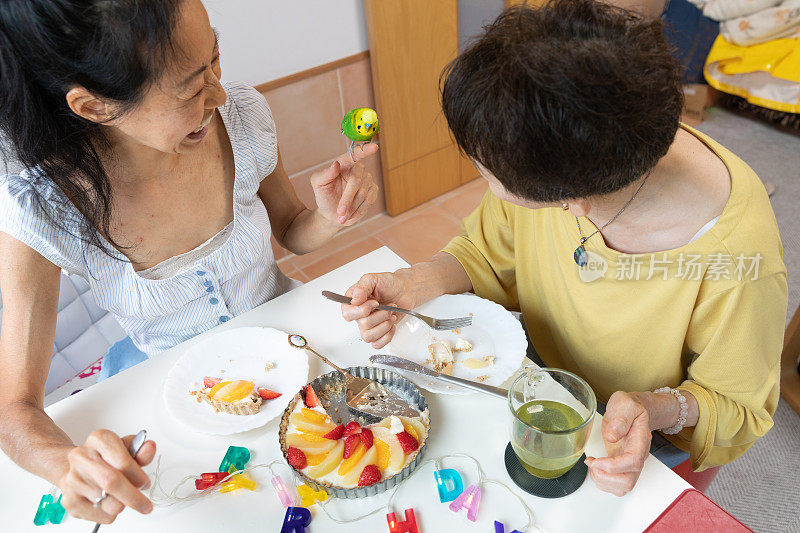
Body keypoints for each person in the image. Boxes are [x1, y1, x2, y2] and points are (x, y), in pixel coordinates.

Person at [341, 0, 787, 497]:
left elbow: (737, 408)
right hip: (535, 380)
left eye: (487, 172)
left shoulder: (740, 262)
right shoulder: (581, 152)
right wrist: (417, 280)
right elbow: (487, 251)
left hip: (641, 440)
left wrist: (655, 408)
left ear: (571, 203)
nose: (482, 178)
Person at [0, 0, 378, 524]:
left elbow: (291, 229)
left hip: (290, 352)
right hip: (170, 401)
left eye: (215, 58)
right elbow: (13, 408)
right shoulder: (41, 206)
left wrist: (329, 218)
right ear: (94, 106)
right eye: (190, 87)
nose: (219, 93)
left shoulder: (241, 119)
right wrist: (67, 464)